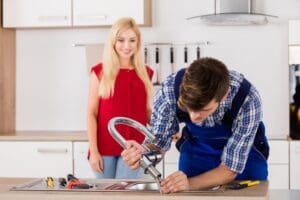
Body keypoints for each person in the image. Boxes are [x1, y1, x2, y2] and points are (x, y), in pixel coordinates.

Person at [121, 57, 269, 193]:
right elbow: (159, 143)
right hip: (197, 152)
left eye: (204, 110)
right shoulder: (169, 91)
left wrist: (189, 184)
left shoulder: (247, 99)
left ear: (225, 95)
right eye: (188, 108)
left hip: (245, 158)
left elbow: (231, 169)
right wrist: (143, 152)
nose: (193, 117)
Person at [87, 17, 153, 179]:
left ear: (138, 43)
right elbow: (91, 113)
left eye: (132, 40)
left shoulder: (146, 73)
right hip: (104, 147)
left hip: (134, 149)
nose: (126, 46)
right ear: (113, 42)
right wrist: (93, 151)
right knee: (106, 194)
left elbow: (145, 111)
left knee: (125, 193)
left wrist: (168, 129)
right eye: (121, 40)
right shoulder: (99, 72)